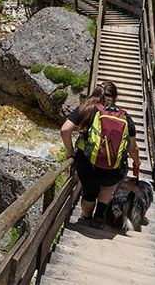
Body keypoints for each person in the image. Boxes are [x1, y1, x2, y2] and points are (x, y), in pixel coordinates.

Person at [60, 81, 141, 228]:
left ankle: (86, 219)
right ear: (116, 98)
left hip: (87, 164)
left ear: (95, 93)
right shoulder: (124, 117)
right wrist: (137, 163)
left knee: (89, 193)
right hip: (114, 168)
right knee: (107, 188)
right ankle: (99, 217)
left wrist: (70, 152)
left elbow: (65, 130)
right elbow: (133, 148)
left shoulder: (86, 109)